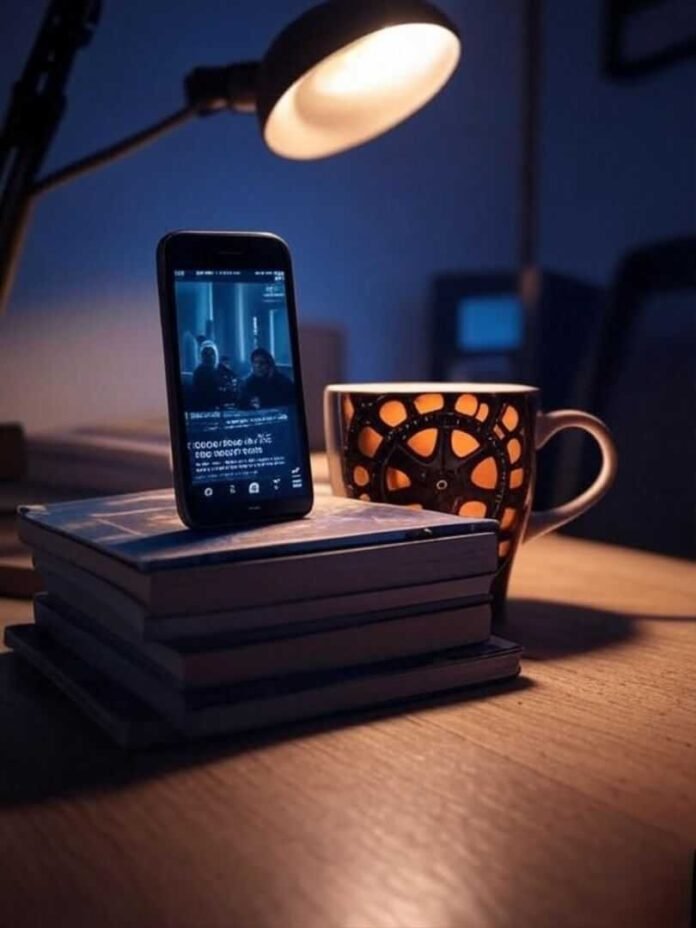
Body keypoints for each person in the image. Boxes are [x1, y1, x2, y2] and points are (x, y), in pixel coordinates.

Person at [191, 342, 220, 410]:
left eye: (212, 354)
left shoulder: (219, 370)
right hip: (205, 407)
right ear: (202, 356)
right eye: (206, 354)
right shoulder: (199, 372)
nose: (210, 357)